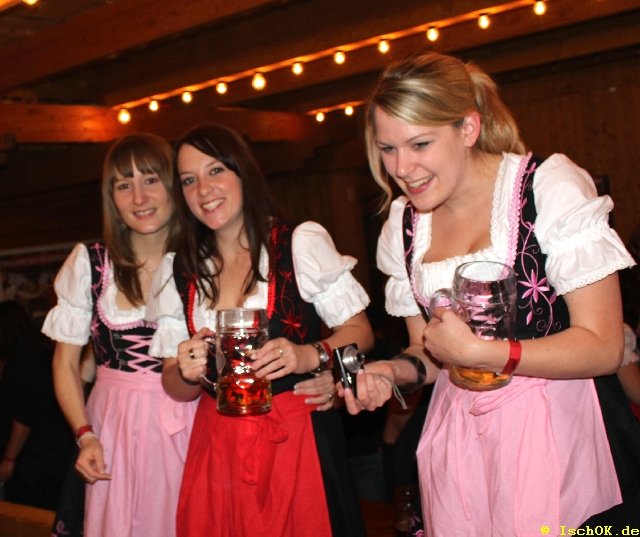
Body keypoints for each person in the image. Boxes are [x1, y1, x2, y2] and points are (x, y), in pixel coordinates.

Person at [341, 52, 640, 536]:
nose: (402, 167)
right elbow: (431, 355)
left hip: (561, 432)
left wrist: (484, 353)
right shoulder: (403, 224)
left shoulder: (547, 188)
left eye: (420, 144)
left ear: (468, 128)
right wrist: (392, 371)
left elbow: (604, 348)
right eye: (387, 148)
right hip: (462, 442)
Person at [145, 123, 374, 537]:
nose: (204, 190)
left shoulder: (298, 243)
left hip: (296, 436)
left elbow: (360, 330)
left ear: (243, 172)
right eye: (189, 180)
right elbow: (174, 387)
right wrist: (186, 371)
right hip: (217, 442)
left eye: (216, 171)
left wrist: (310, 356)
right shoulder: (178, 269)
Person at [41, 133, 198, 537]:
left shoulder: (205, 262)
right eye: (124, 185)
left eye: (150, 180)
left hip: (195, 421)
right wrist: (85, 435)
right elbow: (64, 363)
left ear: (173, 185)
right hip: (113, 427)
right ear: (111, 198)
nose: (139, 197)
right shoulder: (91, 264)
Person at [0, 300, 75, 509]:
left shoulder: (22, 362)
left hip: (36, 456)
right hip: (56, 449)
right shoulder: (40, 350)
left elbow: (24, 415)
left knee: (26, 512)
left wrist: (9, 459)